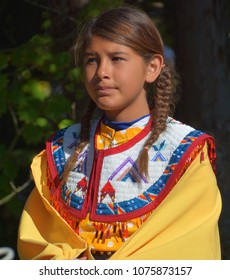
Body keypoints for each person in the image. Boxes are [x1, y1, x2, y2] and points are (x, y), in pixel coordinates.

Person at [17, 6, 222, 260]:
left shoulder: (185, 152)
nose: (102, 72)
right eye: (92, 60)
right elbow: (37, 242)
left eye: (117, 59)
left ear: (152, 67)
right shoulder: (62, 149)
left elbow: (188, 250)